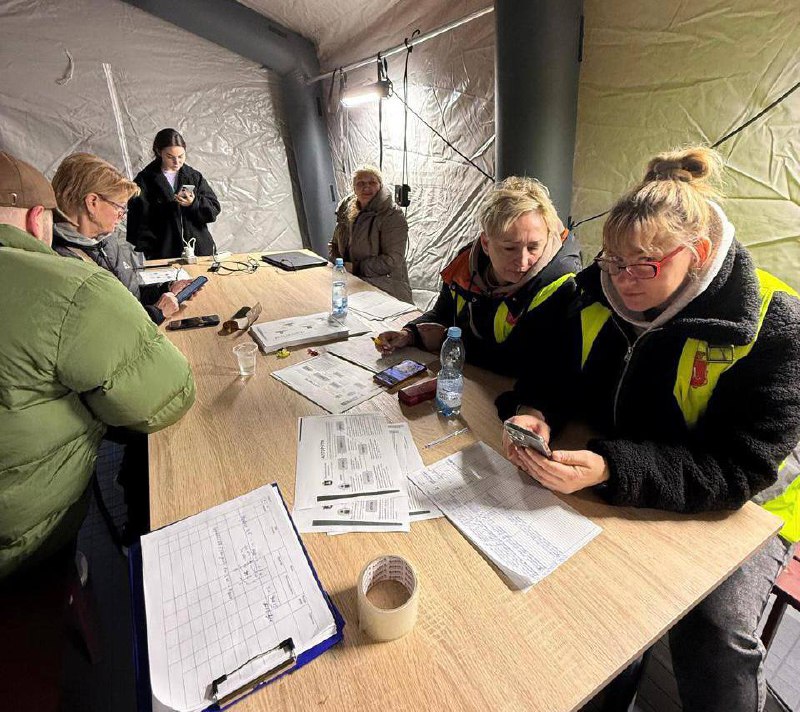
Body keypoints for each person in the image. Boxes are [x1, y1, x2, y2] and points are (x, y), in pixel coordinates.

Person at [497, 147, 800, 712]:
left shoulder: (771, 323)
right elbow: (551, 371)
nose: (623, 280)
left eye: (645, 266)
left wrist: (614, 467)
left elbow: (741, 466)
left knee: (712, 635)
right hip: (632, 467)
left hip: (744, 503)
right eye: (614, 261)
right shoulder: (595, 289)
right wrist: (535, 409)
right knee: (605, 598)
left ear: (698, 254)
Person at [0, 151, 195, 709]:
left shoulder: (103, 249)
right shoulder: (64, 283)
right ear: (38, 219)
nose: (122, 216)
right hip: (21, 542)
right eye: (116, 206)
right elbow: (165, 397)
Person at [376, 176, 581, 376]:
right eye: (510, 248)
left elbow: (528, 362)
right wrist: (410, 334)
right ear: (485, 244)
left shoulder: (563, 287)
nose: (523, 261)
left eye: (534, 247)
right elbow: (443, 313)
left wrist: (446, 340)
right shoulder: (466, 264)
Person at [51, 152, 195, 324]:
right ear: (92, 202)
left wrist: (167, 289)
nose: (123, 215)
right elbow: (106, 330)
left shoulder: (107, 240)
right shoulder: (61, 264)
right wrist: (157, 312)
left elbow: (131, 297)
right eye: (119, 207)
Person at [127, 128, 221, 259]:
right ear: (159, 152)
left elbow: (214, 209)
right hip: (163, 253)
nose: (177, 162)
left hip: (199, 250)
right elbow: (136, 221)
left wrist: (193, 203)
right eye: (170, 157)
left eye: (181, 156)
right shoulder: (144, 180)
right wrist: (151, 250)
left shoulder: (193, 176)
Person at [329, 164, 412, 302]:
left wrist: (356, 268)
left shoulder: (392, 215)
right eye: (360, 183)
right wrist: (339, 265)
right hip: (351, 281)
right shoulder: (346, 210)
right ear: (354, 188)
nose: (366, 187)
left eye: (372, 182)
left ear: (380, 186)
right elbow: (334, 244)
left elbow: (392, 260)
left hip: (386, 287)